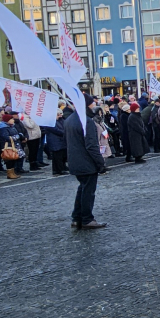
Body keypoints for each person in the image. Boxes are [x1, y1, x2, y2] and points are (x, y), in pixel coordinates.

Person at [66, 93, 108, 229]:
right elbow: (91, 145)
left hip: (75, 160)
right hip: (86, 162)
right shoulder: (87, 121)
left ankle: (76, 217)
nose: (95, 104)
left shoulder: (70, 119)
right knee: (88, 191)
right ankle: (87, 219)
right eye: (92, 103)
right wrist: (100, 164)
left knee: (82, 189)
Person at [0, 113, 25, 179]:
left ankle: (13, 172)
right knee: (9, 159)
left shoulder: (11, 126)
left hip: (14, 145)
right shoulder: (3, 128)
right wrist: (18, 136)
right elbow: (6, 137)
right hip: (8, 146)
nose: (13, 120)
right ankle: (9, 173)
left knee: (13, 159)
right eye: (11, 119)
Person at [42, 110, 68, 175]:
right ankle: (58, 170)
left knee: (62, 155)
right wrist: (64, 133)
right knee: (57, 156)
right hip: (55, 141)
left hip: (61, 140)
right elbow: (56, 130)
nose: (60, 115)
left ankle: (62, 167)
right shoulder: (50, 122)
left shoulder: (61, 120)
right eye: (58, 114)